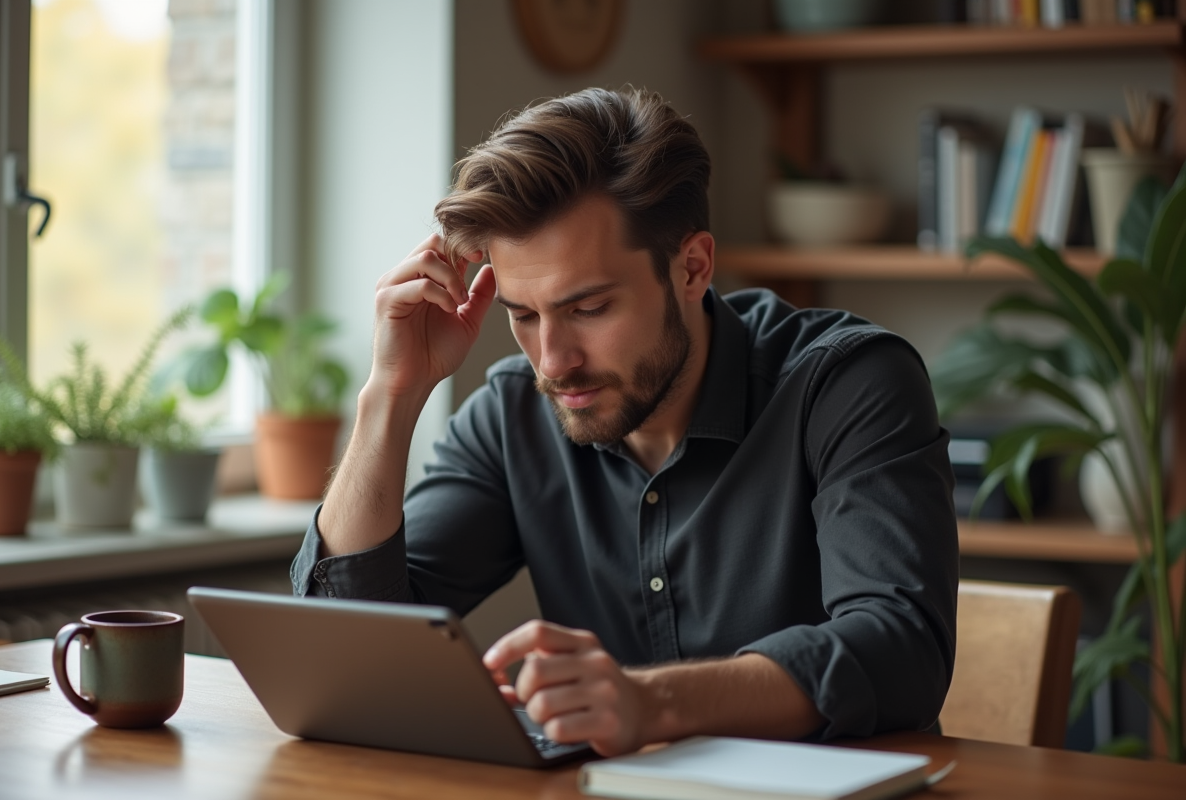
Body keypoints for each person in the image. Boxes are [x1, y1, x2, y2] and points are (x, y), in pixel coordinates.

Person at [291, 87, 958, 757]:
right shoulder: (512, 413)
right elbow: (346, 657)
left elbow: (902, 648)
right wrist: (391, 395)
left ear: (692, 267)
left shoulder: (848, 383)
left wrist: (653, 702)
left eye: (588, 309)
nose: (553, 361)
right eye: (522, 315)